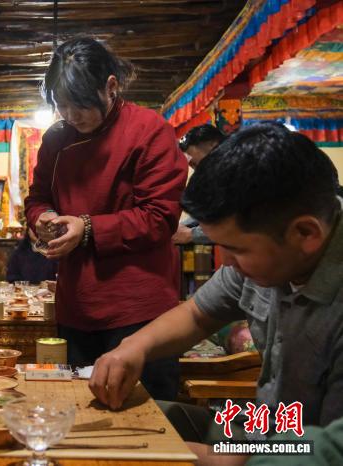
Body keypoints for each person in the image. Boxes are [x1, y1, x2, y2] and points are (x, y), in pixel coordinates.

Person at [89, 123, 343, 465]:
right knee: (111, 424)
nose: (227, 264)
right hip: (261, 435)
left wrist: (216, 458)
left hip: (293, 455)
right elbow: (197, 314)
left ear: (305, 233)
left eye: (236, 250)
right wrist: (132, 347)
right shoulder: (276, 253)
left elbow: (325, 452)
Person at [25, 36, 188, 401]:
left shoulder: (149, 130)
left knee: (148, 417)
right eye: (61, 105)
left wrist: (87, 228)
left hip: (139, 307)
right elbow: (37, 198)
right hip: (76, 304)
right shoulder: (56, 140)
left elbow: (160, 217)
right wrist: (44, 217)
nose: (71, 115)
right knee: (77, 410)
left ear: (111, 86)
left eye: (80, 104)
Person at [172, 124, 227, 245]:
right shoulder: (216, 177)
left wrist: (191, 235)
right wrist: (180, 228)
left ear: (215, 147)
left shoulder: (242, 173)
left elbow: (238, 227)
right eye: (192, 166)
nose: (198, 171)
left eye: (198, 165)